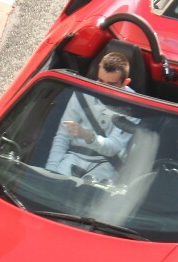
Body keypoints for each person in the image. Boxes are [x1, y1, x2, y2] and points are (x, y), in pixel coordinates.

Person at [44, 52, 136, 182]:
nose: (102, 88)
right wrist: (50, 171)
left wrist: (88, 136)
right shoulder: (82, 94)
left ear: (125, 82)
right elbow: (63, 136)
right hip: (74, 156)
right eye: (100, 81)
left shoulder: (133, 106)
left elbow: (114, 148)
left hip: (107, 164)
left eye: (110, 84)